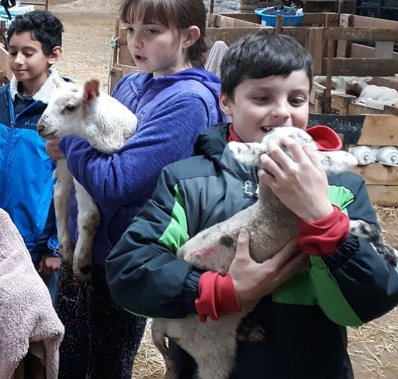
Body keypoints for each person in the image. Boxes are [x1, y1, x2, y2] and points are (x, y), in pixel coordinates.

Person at [107, 31, 398, 377]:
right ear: (226, 102)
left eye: (296, 100)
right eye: (261, 98)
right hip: (212, 363)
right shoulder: (188, 181)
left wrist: (323, 219)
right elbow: (129, 272)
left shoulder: (342, 189)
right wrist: (221, 290)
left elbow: (368, 302)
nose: (282, 113)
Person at [47, 0, 224, 378]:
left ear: (189, 36)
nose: (136, 41)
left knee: (106, 363)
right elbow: (100, 135)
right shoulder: (132, 83)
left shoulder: (188, 103)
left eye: (152, 31)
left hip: (126, 255)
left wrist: (70, 143)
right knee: (70, 354)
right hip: (86, 243)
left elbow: (117, 180)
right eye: (130, 30)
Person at [0, 10, 66, 299]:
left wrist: (56, 245)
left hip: (35, 242)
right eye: (13, 52)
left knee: (32, 315)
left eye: (28, 52)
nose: (18, 61)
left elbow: (72, 182)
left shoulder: (64, 107)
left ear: (53, 55)